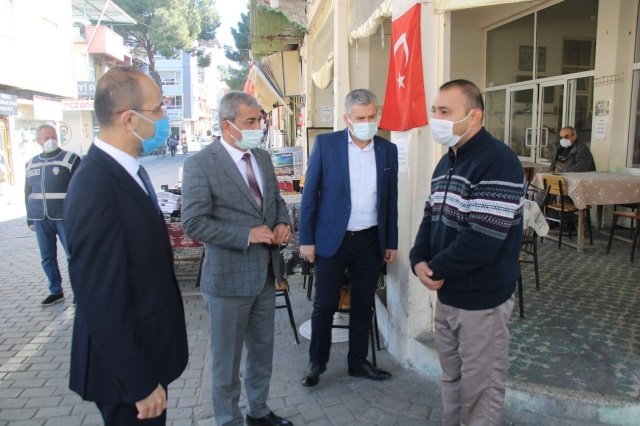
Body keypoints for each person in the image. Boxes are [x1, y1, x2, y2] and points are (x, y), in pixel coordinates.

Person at [63, 66, 189, 425]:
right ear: (129, 119)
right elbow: (99, 299)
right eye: (158, 109)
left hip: (149, 353)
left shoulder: (129, 169)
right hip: (127, 378)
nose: (164, 118)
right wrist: (138, 382)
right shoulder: (94, 186)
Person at [409, 79, 525, 426]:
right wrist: (418, 259)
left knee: (481, 389)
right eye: (434, 110)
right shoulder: (447, 162)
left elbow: (483, 238)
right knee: (452, 378)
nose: (436, 118)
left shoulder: (498, 161)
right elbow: (431, 216)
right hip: (449, 294)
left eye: (445, 111)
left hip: (481, 300)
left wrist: (435, 268)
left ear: (474, 116)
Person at [181, 91, 293, 426]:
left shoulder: (261, 158)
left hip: (265, 275)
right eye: (250, 122)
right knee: (226, 361)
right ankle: (228, 419)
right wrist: (246, 234)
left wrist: (283, 223)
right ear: (227, 126)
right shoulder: (201, 164)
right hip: (227, 280)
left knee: (261, 351)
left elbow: (275, 202)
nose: (258, 127)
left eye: (259, 120)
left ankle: (258, 411)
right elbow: (193, 223)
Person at [299, 88, 398, 387]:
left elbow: (390, 200)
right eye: (360, 118)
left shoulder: (387, 150)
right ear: (347, 119)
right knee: (325, 304)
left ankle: (358, 362)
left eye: (371, 116)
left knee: (363, 304)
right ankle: (317, 363)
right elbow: (309, 195)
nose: (367, 123)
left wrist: (391, 241)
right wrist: (307, 239)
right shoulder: (326, 145)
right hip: (333, 239)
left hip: (370, 240)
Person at [24, 124, 80, 306]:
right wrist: (29, 219)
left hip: (64, 218)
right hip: (40, 219)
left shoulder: (71, 159)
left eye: (53, 136)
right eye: (46, 138)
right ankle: (55, 291)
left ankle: (80, 292)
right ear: (38, 141)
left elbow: (80, 190)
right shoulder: (31, 163)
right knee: (47, 258)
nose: (51, 141)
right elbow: (27, 192)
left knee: (73, 256)